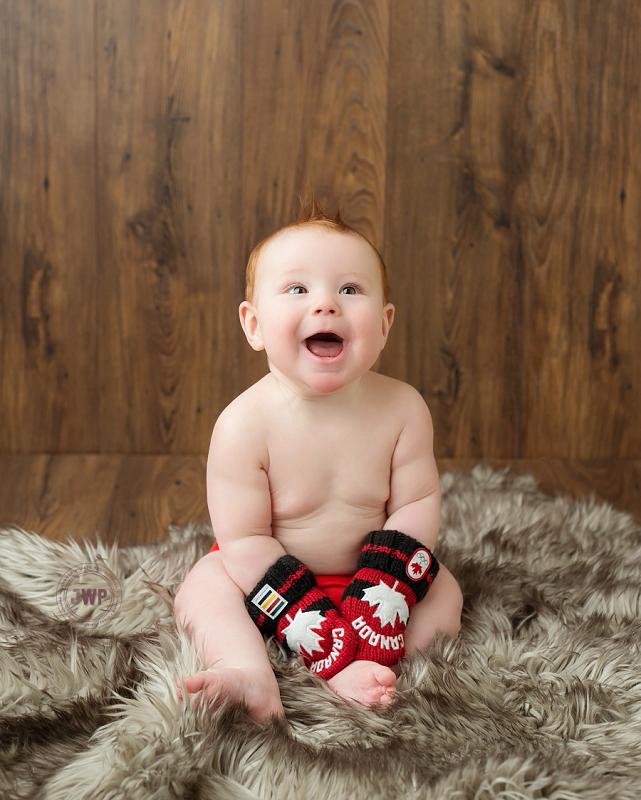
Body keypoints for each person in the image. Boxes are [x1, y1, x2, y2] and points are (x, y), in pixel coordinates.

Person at [174, 200, 463, 723]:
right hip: (267, 581)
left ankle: (388, 667)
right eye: (297, 289)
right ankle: (248, 671)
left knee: (444, 591)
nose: (326, 304)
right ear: (254, 324)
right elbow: (244, 542)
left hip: (371, 578)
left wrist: (386, 589)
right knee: (203, 586)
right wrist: (314, 624)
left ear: (384, 323)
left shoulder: (403, 409)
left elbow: (417, 503)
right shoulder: (243, 425)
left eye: (349, 289)